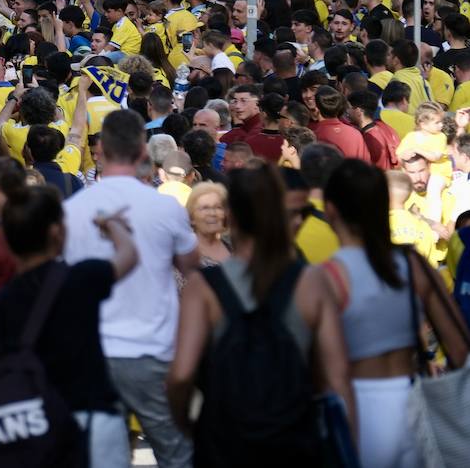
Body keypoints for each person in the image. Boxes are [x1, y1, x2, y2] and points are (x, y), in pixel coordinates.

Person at [166, 166, 355, 467]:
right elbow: (337, 375)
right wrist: (349, 445)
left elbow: (181, 374)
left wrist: (186, 425)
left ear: (231, 216)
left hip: (224, 442)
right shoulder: (311, 282)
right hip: (295, 440)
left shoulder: (202, 287)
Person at [62, 110, 198, 468]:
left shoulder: (71, 211)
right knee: (176, 454)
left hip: (91, 354)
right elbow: (193, 270)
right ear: (142, 152)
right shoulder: (165, 208)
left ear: (100, 151)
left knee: (102, 457)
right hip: (153, 353)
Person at [0, 168, 138, 467]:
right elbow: (128, 256)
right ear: (58, 232)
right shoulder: (81, 277)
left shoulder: (5, 298)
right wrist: (112, 227)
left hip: (31, 423)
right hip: (90, 416)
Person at [321, 159, 469, 468]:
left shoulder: (324, 277)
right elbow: (459, 348)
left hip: (357, 411)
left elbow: (326, 369)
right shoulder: (412, 264)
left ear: (330, 210)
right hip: (415, 404)